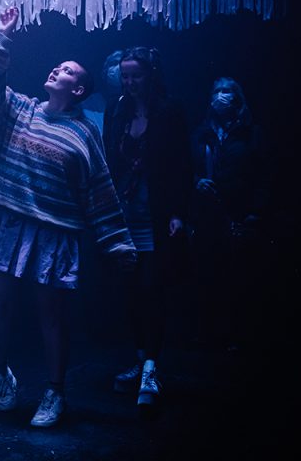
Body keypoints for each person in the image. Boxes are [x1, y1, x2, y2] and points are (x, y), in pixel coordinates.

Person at [0, 6, 137, 428]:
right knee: (0, 305)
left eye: (66, 71)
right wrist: (3, 36)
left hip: (55, 232)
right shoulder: (20, 110)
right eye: (57, 67)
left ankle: (55, 391)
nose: (55, 71)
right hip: (9, 221)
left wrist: (118, 243)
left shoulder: (84, 134)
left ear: (78, 90)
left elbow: (100, 193)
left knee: (51, 315)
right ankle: (0, 374)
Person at [103, 46, 192, 409]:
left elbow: (182, 165)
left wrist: (177, 212)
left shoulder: (169, 112)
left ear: (150, 75)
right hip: (124, 216)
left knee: (152, 288)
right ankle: (141, 360)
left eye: (135, 75)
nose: (129, 82)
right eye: (125, 75)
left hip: (155, 214)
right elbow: (110, 159)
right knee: (131, 292)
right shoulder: (117, 110)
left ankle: (151, 367)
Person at [190, 76, 270, 351]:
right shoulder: (203, 133)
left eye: (228, 91)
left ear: (238, 97)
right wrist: (196, 182)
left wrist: (255, 212)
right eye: (217, 91)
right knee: (207, 272)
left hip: (239, 212)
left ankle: (236, 335)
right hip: (208, 214)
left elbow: (264, 175)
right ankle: (207, 333)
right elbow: (189, 167)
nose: (222, 96)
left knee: (239, 276)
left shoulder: (252, 133)